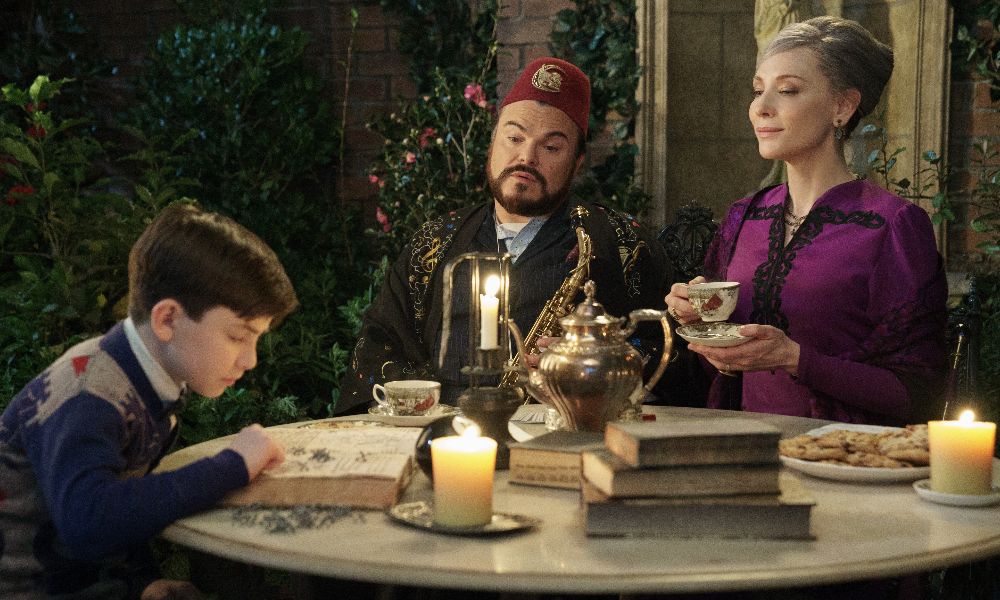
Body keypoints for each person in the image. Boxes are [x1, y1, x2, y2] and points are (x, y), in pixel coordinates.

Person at [338, 57, 683, 414]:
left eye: (551, 147)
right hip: (448, 440)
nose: (526, 157)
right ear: (491, 146)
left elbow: (670, 359)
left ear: (578, 161)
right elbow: (382, 345)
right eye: (514, 137)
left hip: (566, 445)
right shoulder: (435, 241)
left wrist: (595, 371)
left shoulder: (622, 243)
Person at [0, 203, 296, 600]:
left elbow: (123, 496)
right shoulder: (89, 394)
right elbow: (90, 522)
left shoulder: (151, 383)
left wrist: (143, 582)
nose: (250, 360)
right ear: (168, 319)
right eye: (237, 336)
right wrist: (232, 466)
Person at [666, 16, 947, 426]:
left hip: (842, 464)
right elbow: (713, 377)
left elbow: (917, 396)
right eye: (758, 90)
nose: (761, 107)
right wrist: (698, 321)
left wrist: (795, 359)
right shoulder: (744, 217)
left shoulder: (893, 226)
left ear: (843, 106)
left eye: (788, 90)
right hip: (744, 453)